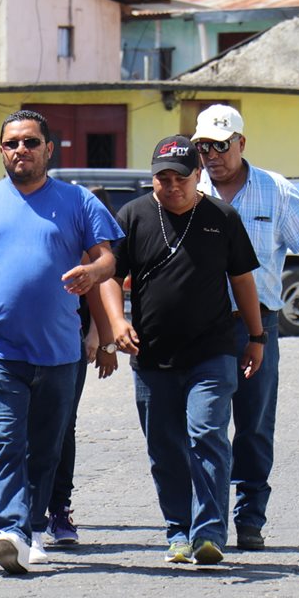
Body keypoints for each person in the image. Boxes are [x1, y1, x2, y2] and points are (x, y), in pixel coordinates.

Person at [0, 109, 121, 575]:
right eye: (12, 143)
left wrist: (93, 273)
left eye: (31, 142)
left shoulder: (77, 202)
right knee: (5, 441)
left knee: (45, 447)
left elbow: (108, 259)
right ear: (1, 150)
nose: (21, 150)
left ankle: (32, 528)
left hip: (59, 351)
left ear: (48, 150)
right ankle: (9, 528)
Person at [99, 135, 264, 567]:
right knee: (165, 448)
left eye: (180, 178)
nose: (171, 186)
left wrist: (257, 336)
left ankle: (209, 531)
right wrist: (117, 324)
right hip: (152, 356)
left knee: (207, 434)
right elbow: (111, 277)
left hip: (212, 352)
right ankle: (177, 531)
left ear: (199, 176)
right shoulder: (133, 216)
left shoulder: (222, 218)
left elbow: (243, 280)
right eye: (162, 178)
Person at [192, 104, 299, 551]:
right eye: (203, 146)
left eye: (221, 145)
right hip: (198, 327)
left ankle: (250, 516)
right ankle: (207, 520)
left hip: (256, 328)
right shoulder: (186, 186)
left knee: (253, 424)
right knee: (204, 425)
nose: (212, 155)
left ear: (241, 143)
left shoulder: (274, 189)